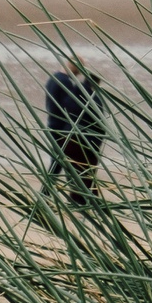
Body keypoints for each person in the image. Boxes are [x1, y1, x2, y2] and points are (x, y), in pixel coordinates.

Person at [44, 59, 105, 206]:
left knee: (60, 164)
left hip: (59, 128)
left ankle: (47, 194)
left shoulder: (55, 80)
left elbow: (63, 107)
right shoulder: (68, 85)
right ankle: (81, 199)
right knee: (77, 167)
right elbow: (76, 111)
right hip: (69, 133)